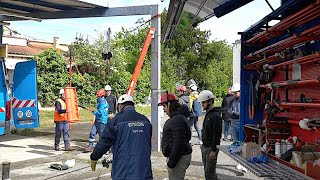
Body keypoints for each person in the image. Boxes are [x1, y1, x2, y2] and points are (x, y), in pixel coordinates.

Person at [90, 94, 153, 179]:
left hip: (123, 170)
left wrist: (94, 157)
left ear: (119, 106)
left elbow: (104, 143)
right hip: (144, 169)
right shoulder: (146, 121)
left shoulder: (115, 122)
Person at [159, 92, 192, 179]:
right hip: (178, 157)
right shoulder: (177, 118)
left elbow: (179, 143)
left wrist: (171, 163)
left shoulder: (177, 120)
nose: (163, 109)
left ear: (170, 105)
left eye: (164, 106)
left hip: (178, 159)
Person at [198, 90, 222, 179]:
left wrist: (213, 150)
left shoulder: (215, 116)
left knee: (210, 173)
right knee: (207, 172)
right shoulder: (209, 114)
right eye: (202, 102)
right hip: (205, 146)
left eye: (204, 102)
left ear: (210, 101)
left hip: (210, 148)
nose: (202, 104)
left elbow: (217, 135)